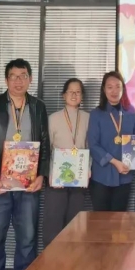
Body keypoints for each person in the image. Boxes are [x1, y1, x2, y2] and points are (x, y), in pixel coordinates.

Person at [0, 59, 50, 270]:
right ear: (6, 80)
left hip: (28, 186)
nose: (18, 81)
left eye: (23, 76)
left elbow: (45, 143)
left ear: (30, 79)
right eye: (13, 76)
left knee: (28, 240)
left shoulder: (38, 107)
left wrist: (42, 175)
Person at [43, 78, 90, 247]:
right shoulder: (53, 118)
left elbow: (90, 147)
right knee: (53, 222)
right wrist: (49, 173)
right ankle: (51, 260)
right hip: (57, 178)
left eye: (78, 92)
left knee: (75, 224)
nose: (74, 95)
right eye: (70, 91)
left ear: (82, 96)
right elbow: (46, 149)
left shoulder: (88, 118)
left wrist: (88, 168)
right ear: (63, 95)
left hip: (79, 177)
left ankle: (73, 260)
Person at [88, 71, 135, 211]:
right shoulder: (96, 114)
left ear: (123, 88)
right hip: (101, 176)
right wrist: (115, 162)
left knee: (119, 220)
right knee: (101, 220)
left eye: (118, 86)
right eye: (110, 87)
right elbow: (93, 145)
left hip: (124, 176)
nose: (114, 91)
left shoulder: (130, 112)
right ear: (104, 90)